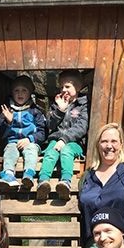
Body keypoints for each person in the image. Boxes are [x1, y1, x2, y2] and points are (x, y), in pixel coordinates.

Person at [36, 70, 89, 201]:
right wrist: (60, 110)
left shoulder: (83, 105)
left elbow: (81, 127)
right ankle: (43, 182)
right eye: (61, 87)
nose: (63, 90)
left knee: (66, 151)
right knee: (50, 153)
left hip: (74, 143)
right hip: (55, 140)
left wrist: (64, 140)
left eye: (67, 86)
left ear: (78, 87)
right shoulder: (56, 104)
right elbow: (50, 125)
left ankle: (65, 182)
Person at [0, 75, 46, 192]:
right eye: (16, 90)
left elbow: (43, 132)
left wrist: (30, 139)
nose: (20, 94)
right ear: (12, 93)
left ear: (30, 93)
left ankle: (28, 175)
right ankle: (8, 175)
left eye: (24, 90)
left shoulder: (35, 111)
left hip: (30, 142)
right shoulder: (7, 111)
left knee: (31, 150)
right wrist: (8, 122)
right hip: (12, 142)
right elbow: (0, 133)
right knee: (10, 150)